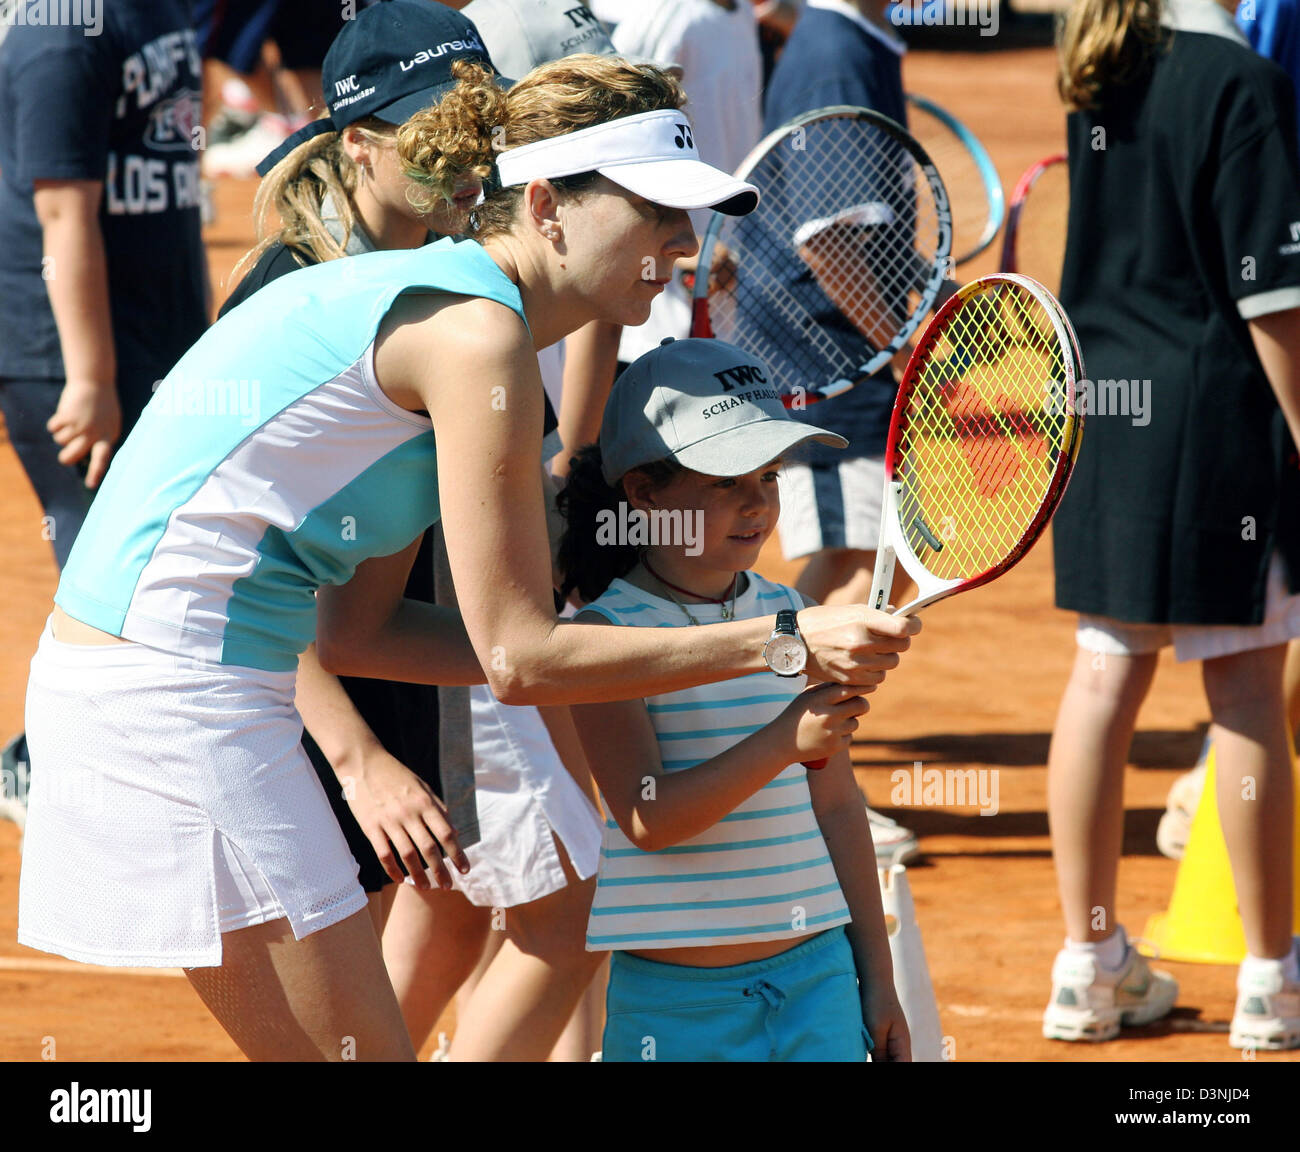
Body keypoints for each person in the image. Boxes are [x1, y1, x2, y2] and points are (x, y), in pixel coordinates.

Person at [17, 51, 918, 1061]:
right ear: (546, 206)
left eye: (687, 213)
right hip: (170, 695)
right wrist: (786, 637)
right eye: (652, 209)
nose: (679, 240)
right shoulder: (476, 337)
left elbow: (357, 629)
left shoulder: (462, 316)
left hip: (206, 683)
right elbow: (520, 661)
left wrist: (631, 650)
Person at [218, 0, 606, 1061]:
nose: (470, 167)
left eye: (484, 136)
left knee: (450, 907)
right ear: (359, 145)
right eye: (442, 141)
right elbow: (227, 567)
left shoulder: (457, 277)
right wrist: (356, 760)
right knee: (538, 919)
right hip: (280, 698)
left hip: (415, 652)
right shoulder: (289, 305)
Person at [1044, 0, 1300, 1051]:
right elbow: (1273, 297)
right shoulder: (1238, 80)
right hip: (1215, 418)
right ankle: (1272, 982)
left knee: (1101, 673)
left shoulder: (1101, 68)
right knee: (1242, 686)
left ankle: (1085, 967)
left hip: (1104, 413)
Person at [558, 336, 909, 1062]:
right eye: (725, 481)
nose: (757, 503)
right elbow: (647, 815)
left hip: (822, 983)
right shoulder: (604, 635)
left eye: (771, 476)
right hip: (674, 1013)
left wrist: (877, 979)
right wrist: (784, 740)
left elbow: (838, 804)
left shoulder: (797, 610)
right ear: (645, 493)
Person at [0, 0, 210, 835]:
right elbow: (62, 214)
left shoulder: (155, 14)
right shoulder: (60, 32)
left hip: (152, 342)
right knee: (108, 576)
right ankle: (39, 761)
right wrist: (89, 377)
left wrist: (198, 337)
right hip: (71, 355)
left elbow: (179, 193)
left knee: (164, 564)